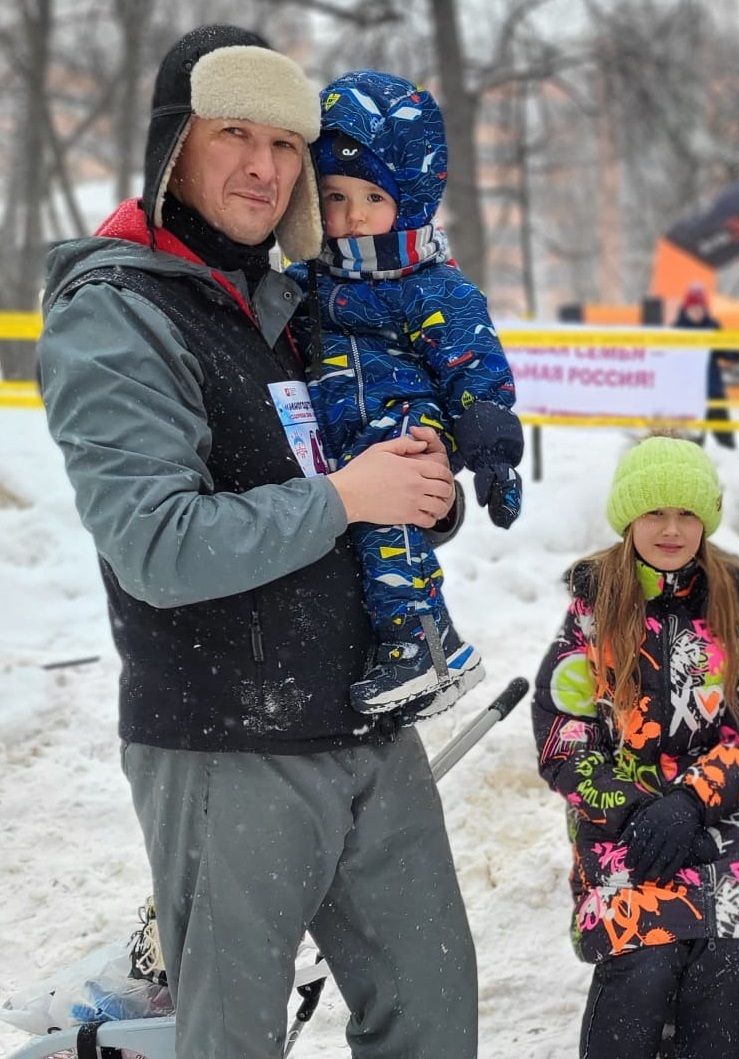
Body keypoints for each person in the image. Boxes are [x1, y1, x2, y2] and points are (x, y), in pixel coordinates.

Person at [35, 25, 478, 1059]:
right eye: (233, 132)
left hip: (366, 721)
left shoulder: (291, 301)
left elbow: (361, 466)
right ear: (172, 147)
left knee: (434, 1014)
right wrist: (345, 498)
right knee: (231, 1037)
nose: (263, 167)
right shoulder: (117, 315)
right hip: (225, 742)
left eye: (286, 145)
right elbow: (158, 544)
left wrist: (419, 484)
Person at [530, 436, 739, 1059]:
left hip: (726, 819)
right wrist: (633, 811)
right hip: (623, 819)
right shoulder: (595, 609)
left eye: (686, 514)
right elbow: (562, 733)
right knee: (643, 959)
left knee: (728, 957)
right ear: (629, 519)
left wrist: (691, 802)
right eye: (655, 512)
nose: (671, 529)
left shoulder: (732, 603)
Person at [290, 69, 524, 715]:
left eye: (371, 196)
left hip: (403, 427)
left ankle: (426, 641)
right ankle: (409, 648)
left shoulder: (430, 284)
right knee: (361, 534)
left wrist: (493, 452)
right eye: (333, 197)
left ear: (411, 195)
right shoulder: (312, 276)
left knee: (388, 531)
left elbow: (474, 365)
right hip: (341, 437)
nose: (351, 215)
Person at [675, 283, 739, 449]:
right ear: (686, 308)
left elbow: (725, 350)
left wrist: (734, 353)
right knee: (692, 442)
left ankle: (733, 464)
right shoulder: (677, 330)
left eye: (700, 307)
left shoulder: (712, 327)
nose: (697, 311)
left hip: (713, 391)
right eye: (693, 307)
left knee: (726, 440)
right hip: (689, 395)